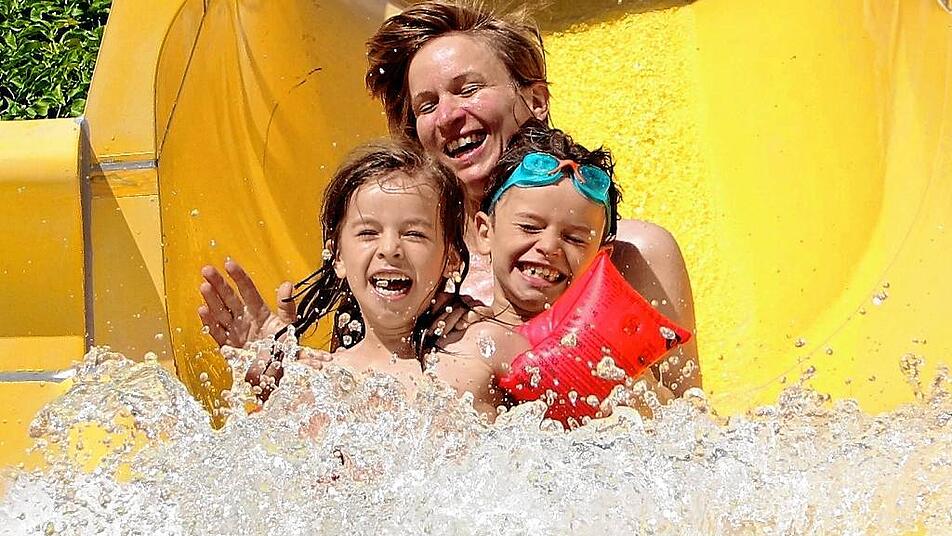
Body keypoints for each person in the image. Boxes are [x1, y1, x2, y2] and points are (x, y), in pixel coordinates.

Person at [199, 0, 700, 400]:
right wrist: (283, 380)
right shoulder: (401, 265)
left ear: (536, 99)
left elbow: (689, 434)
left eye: (469, 89)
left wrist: (595, 367)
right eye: (427, 105)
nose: (448, 116)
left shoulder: (635, 254)